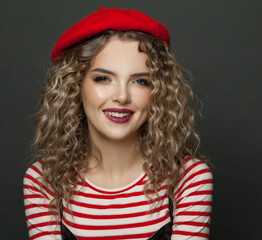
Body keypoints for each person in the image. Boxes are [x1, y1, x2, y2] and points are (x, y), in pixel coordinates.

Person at [23, 7, 213, 240]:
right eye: (103, 78)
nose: (122, 96)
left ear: (158, 92)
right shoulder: (43, 182)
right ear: (75, 86)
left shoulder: (188, 180)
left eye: (140, 81)